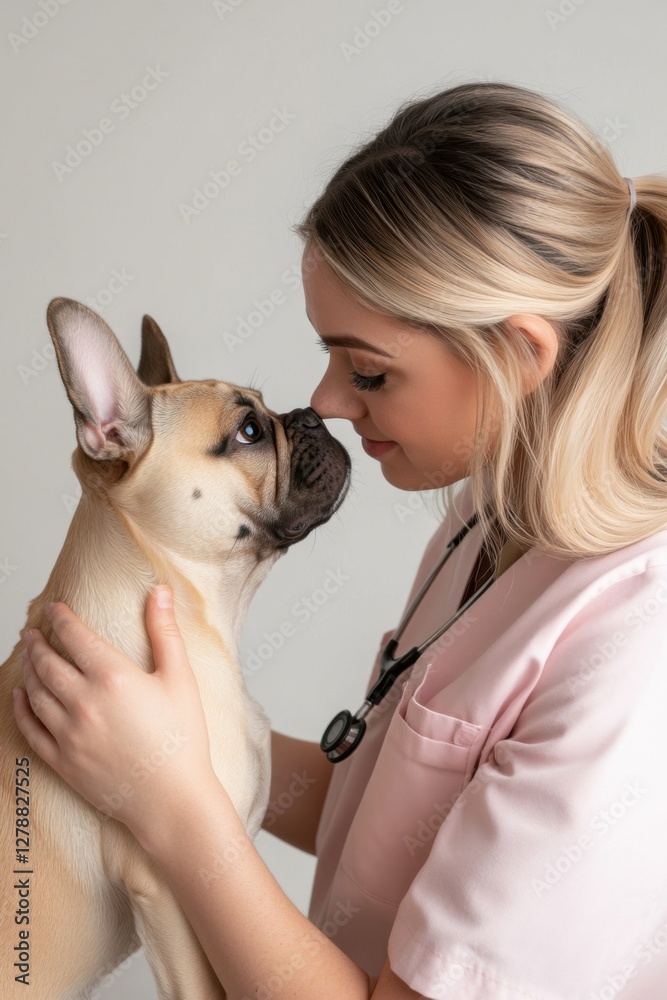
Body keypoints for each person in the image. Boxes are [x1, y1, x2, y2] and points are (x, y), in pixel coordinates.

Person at [12, 80, 667, 999]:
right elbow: (385, 819)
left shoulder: (636, 657)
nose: (322, 402)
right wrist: (151, 739)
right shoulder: (493, 516)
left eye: (366, 369)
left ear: (521, 355)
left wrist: (172, 803)